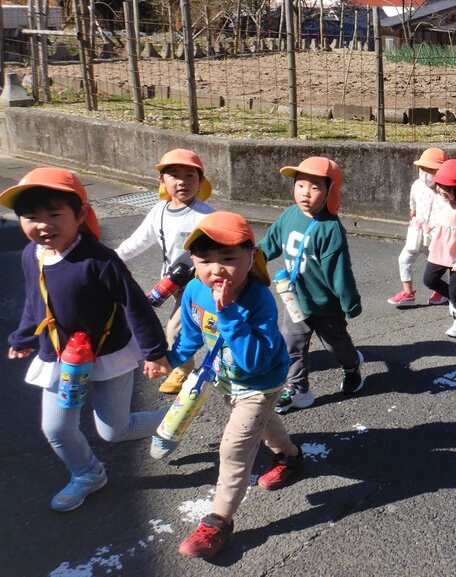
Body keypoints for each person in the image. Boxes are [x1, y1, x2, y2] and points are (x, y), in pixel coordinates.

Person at [2, 168, 169, 512]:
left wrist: (154, 352)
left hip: (110, 355)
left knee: (115, 430)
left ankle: (177, 418)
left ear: (80, 215)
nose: (42, 224)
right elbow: (36, 302)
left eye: (54, 214)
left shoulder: (100, 260)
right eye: (30, 216)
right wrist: (23, 337)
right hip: (60, 359)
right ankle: (88, 474)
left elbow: (134, 305)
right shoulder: (31, 255)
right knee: (57, 429)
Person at [151, 212, 304, 559]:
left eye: (229, 259)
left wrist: (230, 315)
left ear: (251, 256)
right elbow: (190, 339)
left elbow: (253, 362)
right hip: (225, 379)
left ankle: (219, 521)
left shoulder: (257, 299)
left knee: (234, 446)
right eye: (205, 260)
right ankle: (291, 458)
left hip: (261, 381)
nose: (216, 269)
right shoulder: (194, 289)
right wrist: (167, 361)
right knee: (263, 425)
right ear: (192, 261)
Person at [259, 157, 363, 413]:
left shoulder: (330, 229)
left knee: (335, 345)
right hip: (294, 298)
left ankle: (351, 365)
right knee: (291, 344)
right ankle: (297, 389)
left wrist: (350, 303)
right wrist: (249, 258)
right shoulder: (289, 215)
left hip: (325, 305)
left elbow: (339, 272)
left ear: (331, 192)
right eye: (300, 185)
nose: (305, 193)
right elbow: (269, 244)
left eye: (315, 187)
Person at [115, 148, 214, 394]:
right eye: (174, 175)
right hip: (170, 283)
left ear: (201, 181)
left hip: (199, 285)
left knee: (176, 328)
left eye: (191, 176)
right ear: (161, 181)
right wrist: (112, 259)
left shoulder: (207, 216)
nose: (182, 182)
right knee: (183, 325)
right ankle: (206, 361)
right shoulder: (159, 211)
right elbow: (138, 240)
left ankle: (183, 369)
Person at [388, 147, 450, 308]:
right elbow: (412, 201)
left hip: (436, 236)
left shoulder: (444, 190)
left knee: (438, 266)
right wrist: (413, 211)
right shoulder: (416, 185)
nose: (426, 174)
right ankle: (408, 293)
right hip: (417, 233)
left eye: (431, 170)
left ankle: (441, 291)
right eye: (423, 169)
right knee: (404, 259)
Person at [423, 160, 456, 338]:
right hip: (441, 249)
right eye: (440, 185)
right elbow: (439, 216)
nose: (442, 190)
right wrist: (430, 225)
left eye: (448, 187)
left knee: (455, 289)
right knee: (429, 280)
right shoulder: (441, 199)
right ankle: (453, 299)